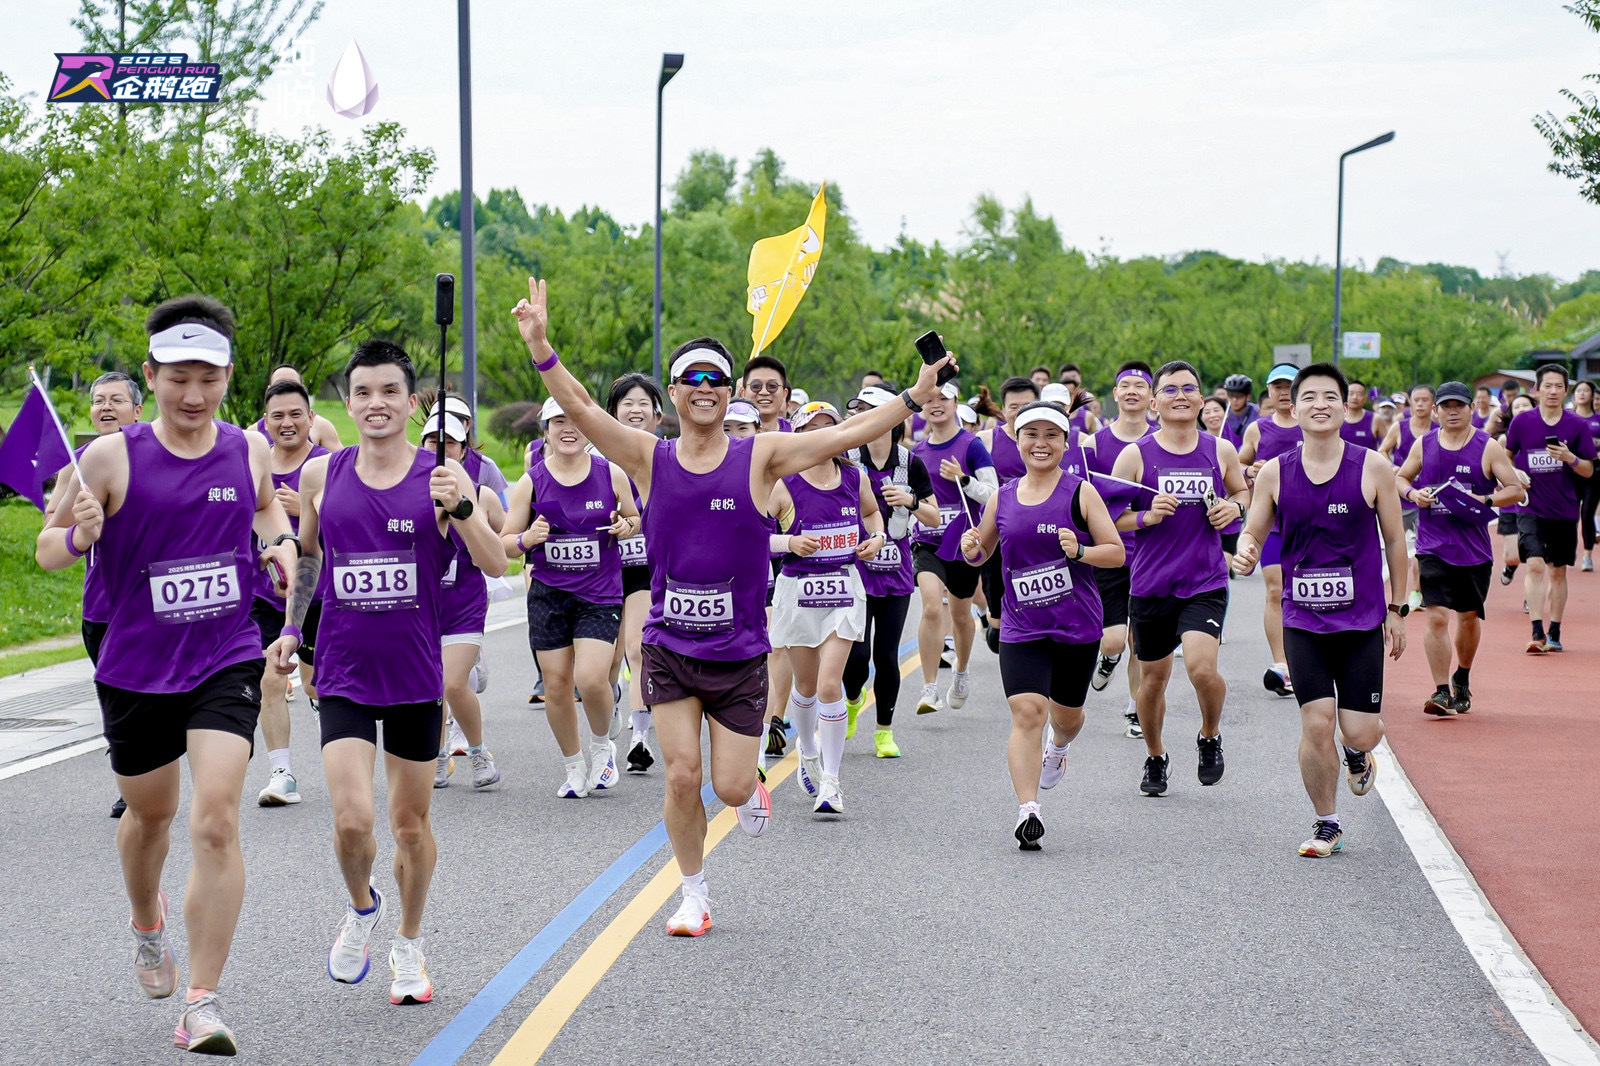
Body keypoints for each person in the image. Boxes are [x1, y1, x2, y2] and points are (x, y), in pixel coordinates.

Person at [513, 276, 951, 936]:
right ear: (674, 393)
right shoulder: (647, 457)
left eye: (716, 378)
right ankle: (693, 894)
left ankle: (750, 790)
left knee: (734, 787)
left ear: (730, 392)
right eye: (691, 378)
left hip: (740, 654)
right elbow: (578, 404)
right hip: (670, 645)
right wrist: (541, 346)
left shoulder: (761, 456)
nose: (704, 387)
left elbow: (844, 436)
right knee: (681, 777)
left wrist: (913, 397)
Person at [37, 296, 298, 1054]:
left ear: (228, 378)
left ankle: (202, 1002)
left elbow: (265, 512)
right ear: (150, 377)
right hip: (137, 668)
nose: (193, 394)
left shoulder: (246, 451)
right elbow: (47, 549)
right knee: (150, 817)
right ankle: (147, 923)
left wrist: (280, 543)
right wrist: (79, 535)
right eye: (178, 378)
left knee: (215, 816)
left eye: (208, 379)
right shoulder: (108, 458)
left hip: (225, 654)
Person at [265, 339, 507, 1007]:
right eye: (363, 392)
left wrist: (462, 508)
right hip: (342, 670)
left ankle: (409, 941)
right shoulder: (322, 475)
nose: (376, 403)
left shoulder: (443, 479)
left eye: (389, 392)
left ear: (410, 402)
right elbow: (308, 559)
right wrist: (292, 630)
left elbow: (496, 562)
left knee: (408, 827)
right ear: (347, 403)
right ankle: (362, 907)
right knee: (351, 822)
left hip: (414, 677)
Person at [1232, 362, 1409, 858]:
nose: (1320, 404)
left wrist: (1398, 608)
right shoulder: (1275, 471)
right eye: (1308, 396)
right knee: (1315, 722)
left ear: (1345, 405)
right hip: (1303, 620)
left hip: (1361, 622)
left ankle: (1357, 751)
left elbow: (1395, 540)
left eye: (1330, 396)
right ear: (1293, 407)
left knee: (1360, 730)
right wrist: (1246, 549)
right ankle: (1327, 822)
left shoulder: (1373, 467)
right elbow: (1253, 530)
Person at [961, 402, 1123, 849]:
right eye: (1031, 434)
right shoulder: (1003, 497)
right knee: (1027, 712)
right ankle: (1028, 809)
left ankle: (1060, 747)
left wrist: (1081, 552)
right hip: (1021, 626)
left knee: (1065, 718)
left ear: (1065, 444)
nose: (1041, 443)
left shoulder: (1080, 493)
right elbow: (981, 552)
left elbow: (1115, 552)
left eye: (1051, 435)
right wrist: (971, 548)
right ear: (1017, 442)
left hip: (1076, 625)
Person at [1111, 360, 1249, 797]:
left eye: (1189, 389)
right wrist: (1146, 517)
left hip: (1204, 581)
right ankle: (1156, 755)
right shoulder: (1135, 456)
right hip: (1151, 584)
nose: (1181, 396)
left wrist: (1234, 508)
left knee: (1202, 668)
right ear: (1154, 403)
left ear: (1202, 400)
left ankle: (1210, 735)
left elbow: (1242, 491)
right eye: (1170, 390)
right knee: (1152, 680)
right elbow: (1110, 517)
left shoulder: (1220, 450)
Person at [499, 397, 635, 796]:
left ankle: (602, 747)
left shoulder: (610, 474)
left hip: (599, 594)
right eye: (558, 421)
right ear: (546, 431)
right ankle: (574, 766)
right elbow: (505, 543)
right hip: (549, 595)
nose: (568, 428)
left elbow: (636, 517)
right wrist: (527, 538)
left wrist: (626, 526)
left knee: (590, 678)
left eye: (574, 419)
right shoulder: (532, 481)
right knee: (556, 685)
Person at [767, 401, 886, 813]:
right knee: (805, 686)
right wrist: (789, 542)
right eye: (812, 428)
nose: (822, 435)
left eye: (829, 426)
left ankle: (831, 783)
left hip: (843, 587)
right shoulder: (783, 484)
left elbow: (872, 514)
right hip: (798, 592)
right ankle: (808, 750)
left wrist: (877, 538)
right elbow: (752, 536)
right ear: (798, 436)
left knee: (829, 684)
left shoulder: (854, 477)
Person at [41, 371, 144, 819]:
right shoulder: (77, 464)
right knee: (121, 699)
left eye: (116, 400)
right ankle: (131, 776)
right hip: (103, 609)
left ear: (137, 410)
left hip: (160, 605)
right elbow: (51, 533)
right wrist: (79, 532)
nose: (105, 407)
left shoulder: (158, 456)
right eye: (99, 400)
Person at [1395, 381, 1522, 714]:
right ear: (1436, 410)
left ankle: (1461, 677)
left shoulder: (1487, 446)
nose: (1452, 412)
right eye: (1446, 407)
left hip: (1473, 551)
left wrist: (1485, 499)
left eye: (1459, 406)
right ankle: (1440, 691)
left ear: (1471, 409)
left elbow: (1515, 489)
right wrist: (1413, 494)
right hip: (1432, 546)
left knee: (1467, 618)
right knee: (1436, 617)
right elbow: (1400, 478)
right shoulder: (1424, 444)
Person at [842, 385, 939, 758]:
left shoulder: (910, 463)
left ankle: (884, 731)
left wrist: (910, 500)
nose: (864, 418)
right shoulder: (847, 457)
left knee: (886, 656)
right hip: (855, 568)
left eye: (871, 411)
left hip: (895, 572)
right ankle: (853, 700)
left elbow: (933, 517)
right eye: (860, 412)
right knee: (855, 655)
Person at [250, 380, 330, 806]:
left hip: (317, 595)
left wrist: (307, 511)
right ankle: (281, 773)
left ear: (311, 418)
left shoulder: (327, 467)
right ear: (265, 422)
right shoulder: (254, 467)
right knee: (271, 678)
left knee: (316, 685)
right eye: (277, 415)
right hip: (265, 597)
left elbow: (352, 528)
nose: (287, 423)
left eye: (296, 414)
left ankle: (329, 731)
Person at [420, 410, 507, 790]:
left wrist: (463, 513)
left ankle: (478, 751)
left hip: (464, 605)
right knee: (431, 687)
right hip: (424, 607)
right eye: (433, 442)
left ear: (463, 449)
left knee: (452, 684)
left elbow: (502, 537)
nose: (441, 449)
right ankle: (439, 755)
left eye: (450, 443)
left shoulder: (480, 493)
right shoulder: (408, 491)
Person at [911, 381, 997, 715]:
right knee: (932, 606)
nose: (936, 404)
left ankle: (960, 671)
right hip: (928, 541)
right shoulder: (917, 453)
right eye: (930, 398)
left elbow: (993, 493)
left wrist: (963, 479)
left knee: (961, 615)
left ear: (955, 403)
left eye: (943, 398)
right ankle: (929, 688)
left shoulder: (972, 445)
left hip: (964, 542)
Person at [1502, 364, 1596, 652]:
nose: (1553, 391)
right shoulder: (1522, 423)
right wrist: (1514, 473)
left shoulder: (1577, 426)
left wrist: (1570, 458)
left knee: (1557, 572)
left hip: (1565, 509)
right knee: (1534, 565)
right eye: (1547, 386)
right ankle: (1537, 631)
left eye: (1558, 386)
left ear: (1566, 391)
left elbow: (1589, 470)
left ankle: (1554, 631)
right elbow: (1505, 456)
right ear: (1536, 390)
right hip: (1530, 507)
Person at [1085, 362, 1157, 739]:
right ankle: (1108, 657)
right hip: (1109, 552)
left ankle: (1135, 709)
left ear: (1151, 397)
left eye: (1139, 386)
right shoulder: (1093, 444)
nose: (1132, 391)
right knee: (1114, 639)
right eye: (1124, 385)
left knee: (1140, 642)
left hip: (1152, 554)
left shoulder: (1163, 441)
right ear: (1115, 394)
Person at [607, 373, 667, 772]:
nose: (635, 409)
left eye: (643, 402)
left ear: (658, 415)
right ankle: (607, 708)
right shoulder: (595, 458)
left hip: (646, 566)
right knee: (605, 664)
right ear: (612, 413)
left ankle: (640, 738)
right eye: (626, 403)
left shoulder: (670, 457)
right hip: (602, 569)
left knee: (636, 648)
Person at [1237, 363, 1302, 697]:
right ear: (1269, 391)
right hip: (1273, 524)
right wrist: (1251, 470)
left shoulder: (1313, 424)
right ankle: (1282, 664)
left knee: (1302, 591)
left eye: (1289, 386)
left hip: (1308, 524)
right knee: (1275, 590)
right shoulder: (1257, 429)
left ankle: (1308, 658)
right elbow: (1237, 465)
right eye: (1277, 386)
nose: (1283, 392)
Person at [975, 377, 1042, 651]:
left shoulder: (1048, 442)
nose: (1020, 412)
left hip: (1039, 537)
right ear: (1003, 409)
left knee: (1037, 610)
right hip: (999, 537)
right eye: (1014, 407)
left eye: (1027, 405)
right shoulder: (985, 440)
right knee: (997, 629)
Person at [1380, 384, 1438, 610]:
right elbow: (1382, 450)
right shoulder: (1399, 427)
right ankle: (1392, 592)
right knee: (1394, 544)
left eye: (1425, 400)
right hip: (1399, 497)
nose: (1420, 404)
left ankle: (1417, 591)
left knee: (1423, 549)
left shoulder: (1439, 430)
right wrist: (1392, 467)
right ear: (1410, 403)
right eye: (1416, 400)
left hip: (1426, 498)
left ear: (1433, 404)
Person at [1495, 393, 1536, 587]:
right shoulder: (1504, 439)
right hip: (1511, 501)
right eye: (1516, 406)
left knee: (1536, 555)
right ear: (1511, 412)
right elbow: (1497, 468)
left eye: (1525, 405)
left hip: (1537, 500)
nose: (1521, 409)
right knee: (1512, 556)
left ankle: (1532, 596)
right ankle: (1511, 566)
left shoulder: (1543, 435)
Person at [255, 364, 343, 451]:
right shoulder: (254, 432)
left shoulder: (322, 427)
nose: (287, 424)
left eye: (293, 385)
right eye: (279, 384)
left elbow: (342, 459)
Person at [1572, 379, 1600, 571]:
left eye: (1586, 390)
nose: (1582, 393)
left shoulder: (1598, 419)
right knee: (1570, 514)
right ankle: (1567, 550)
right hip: (1570, 473)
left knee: (1587, 513)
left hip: (1595, 473)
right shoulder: (1567, 418)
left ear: (1592, 395)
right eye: (1578, 390)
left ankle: (1587, 556)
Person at [741, 354, 791, 434]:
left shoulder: (796, 432)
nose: (764, 392)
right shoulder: (728, 433)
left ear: (784, 394)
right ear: (743, 393)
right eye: (756, 386)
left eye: (772, 386)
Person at [1340, 379, 1378, 449]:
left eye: (1359, 394)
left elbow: (1386, 444)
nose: (1355, 397)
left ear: (1365, 398)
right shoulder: (1336, 419)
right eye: (1351, 393)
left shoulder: (1375, 419)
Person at [1221, 374, 1256, 448]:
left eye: (1239, 396)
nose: (1234, 399)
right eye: (1231, 395)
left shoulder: (1257, 412)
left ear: (1248, 397)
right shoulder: (1221, 411)